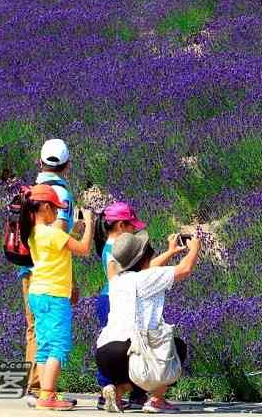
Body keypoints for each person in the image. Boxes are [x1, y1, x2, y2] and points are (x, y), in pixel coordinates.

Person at [96, 230, 201, 413]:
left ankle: (116, 393)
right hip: (130, 351)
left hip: (104, 354)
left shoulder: (116, 280)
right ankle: (156, 400)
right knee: (176, 348)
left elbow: (148, 269)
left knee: (135, 370)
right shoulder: (145, 279)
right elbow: (185, 269)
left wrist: (171, 251)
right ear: (144, 257)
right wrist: (194, 249)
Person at [20, 184, 94, 411]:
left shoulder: (33, 233)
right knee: (58, 347)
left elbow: (60, 246)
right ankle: (48, 395)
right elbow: (84, 249)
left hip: (37, 294)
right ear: (44, 207)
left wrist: (75, 229)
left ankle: (45, 393)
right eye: (55, 208)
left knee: (44, 346)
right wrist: (89, 223)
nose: (58, 212)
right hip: (54, 296)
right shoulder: (52, 233)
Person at [21, 139, 77, 405]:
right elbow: (63, 242)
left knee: (35, 329)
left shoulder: (32, 192)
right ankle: (43, 391)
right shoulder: (59, 195)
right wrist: (72, 282)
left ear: (39, 161)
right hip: (52, 277)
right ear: (67, 165)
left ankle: (39, 390)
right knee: (55, 340)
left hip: (29, 268)